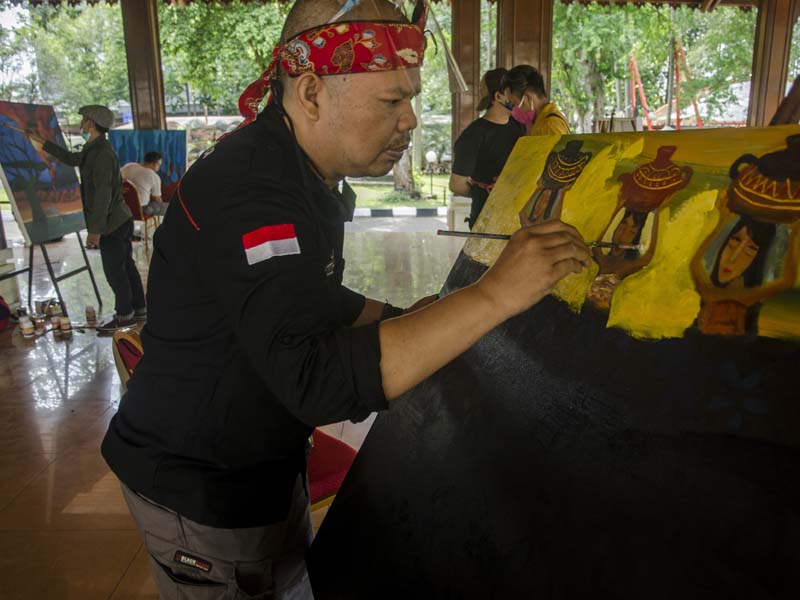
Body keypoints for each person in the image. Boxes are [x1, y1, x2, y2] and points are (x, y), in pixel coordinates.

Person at [100, 1, 590, 598]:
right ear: (311, 92)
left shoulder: (300, 170)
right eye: (391, 100)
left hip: (265, 460)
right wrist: (492, 295)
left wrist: (409, 317)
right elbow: (316, 379)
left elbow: (313, 297)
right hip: (203, 485)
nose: (410, 120)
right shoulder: (250, 190)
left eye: (411, 97)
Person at [27, 105, 146, 333]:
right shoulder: (94, 147)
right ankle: (139, 309)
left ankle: (125, 316)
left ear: (91, 123)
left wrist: (95, 230)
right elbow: (74, 159)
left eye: (83, 118)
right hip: (117, 219)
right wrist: (44, 143)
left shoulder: (101, 153)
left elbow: (102, 194)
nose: (81, 122)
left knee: (115, 271)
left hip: (112, 222)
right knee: (125, 266)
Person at [450, 68, 525, 228]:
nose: (520, 99)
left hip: (518, 219)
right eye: (514, 93)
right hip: (486, 221)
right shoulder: (473, 135)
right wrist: (484, 192)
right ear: (498, 97)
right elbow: (456, 184)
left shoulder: (520, 128)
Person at [501, 64, 571, 136]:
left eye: (513, 104)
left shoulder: (549, 125)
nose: (512, 111)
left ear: (527, 98)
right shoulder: (541, 121)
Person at [121, 151, 169, 217]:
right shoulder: (154, 176)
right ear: (155, 163)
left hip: (123, 206)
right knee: (168, 208)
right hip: (141, 209)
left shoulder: (128, 166)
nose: (159, 168)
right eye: (159, 165)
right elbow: (157, 199)